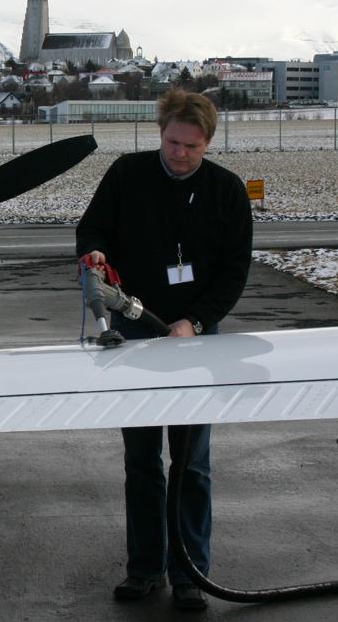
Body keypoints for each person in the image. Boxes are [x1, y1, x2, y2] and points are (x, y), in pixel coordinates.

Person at [75, 89, 252, 612]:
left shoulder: (227, 192)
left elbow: (234, 271)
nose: (180, 154)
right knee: (142, 460)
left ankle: (190, 571)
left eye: (191, 147)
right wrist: (94, 252)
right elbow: (93, 228)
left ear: (208, 143)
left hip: (194, 338)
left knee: (192, 462)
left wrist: (194, 322)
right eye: (173, 142)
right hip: (135, 332)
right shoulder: (127, 175)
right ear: (160, 134)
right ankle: (145, 569)